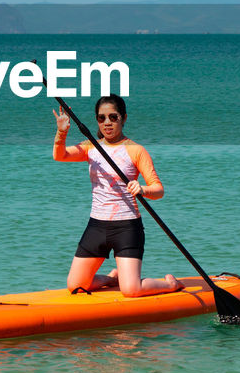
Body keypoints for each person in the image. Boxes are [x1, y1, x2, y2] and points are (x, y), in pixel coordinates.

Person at [52, 94, 183, 297]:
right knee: (75, 286)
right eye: (101, 118)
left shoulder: (136, 150)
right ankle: (112, 278)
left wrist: (143, 189)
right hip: (96, 226)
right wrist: (61, 133)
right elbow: (59, 155)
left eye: (113, 117)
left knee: (131, 290)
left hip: (127, 227)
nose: (107, 123)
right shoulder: (91, 147)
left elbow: (159, 189)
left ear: (123, 118)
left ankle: (170, 285)